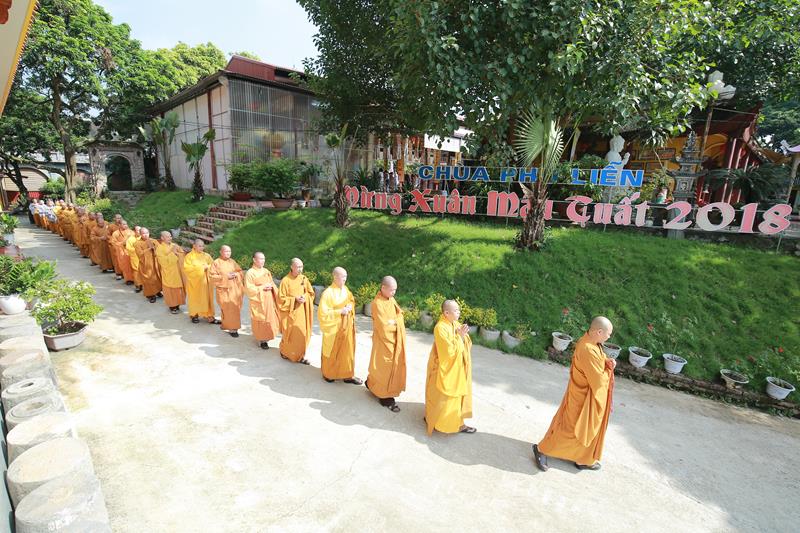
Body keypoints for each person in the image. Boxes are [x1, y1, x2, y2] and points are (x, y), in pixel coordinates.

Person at [532, 316, 616, 472]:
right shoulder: (588, 349)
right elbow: (598, 381)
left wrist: (606, 362)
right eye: (608, 334)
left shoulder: (592, 343)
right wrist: (609, 369)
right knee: (571, 429)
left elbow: (598, 361)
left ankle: (584, 458)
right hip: (581, 398)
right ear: (599, 332)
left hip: (589, 397)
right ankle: (541, 449)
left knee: (589, 429)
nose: (609, 337)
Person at [425, 299, 475, 435]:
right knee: (442, 398)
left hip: (457, 369)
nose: (459, 312)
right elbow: (448, 352)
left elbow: (466, 342)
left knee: (456, 399)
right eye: (456, 310)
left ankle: (458, 424)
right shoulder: (440, 328)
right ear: (446, 313)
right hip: (445, 368)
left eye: (459, 310)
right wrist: (460, 337)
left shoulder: (455, 324)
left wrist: (463, 336)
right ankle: (435, 420)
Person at [365, 276, 407, 412]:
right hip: (384, 341)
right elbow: (384, 326)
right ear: (383, 288)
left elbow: (400, 314)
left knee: (387, 366)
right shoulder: (377, 303)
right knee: (384, 367)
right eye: (391, 290)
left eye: (395, 290)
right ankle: (385, 397)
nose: (394, 293)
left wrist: (395, 321)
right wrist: (395, 322)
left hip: (394, 339)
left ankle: (371, 384)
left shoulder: (390, 299)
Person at [318, 267, 360, 384]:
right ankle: (329, 374)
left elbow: (351, 300)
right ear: (335, 277)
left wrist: (350, 306)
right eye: (342, 277)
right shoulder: (328, 293)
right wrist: (339, 311)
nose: (345, 279)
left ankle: (347, 375)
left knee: (347, 351)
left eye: (346, 276)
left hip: (346, 326)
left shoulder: (346, 290)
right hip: (334, 327)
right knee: (332, 351)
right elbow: (323, 314)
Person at [277, 258, 314, 365]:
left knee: (301, 334)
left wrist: (304, 297)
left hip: (301, 312)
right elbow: (281, 299)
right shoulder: (285, 280)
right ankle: (285, 352)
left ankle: (300, 356)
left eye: (301, 267)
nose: (300, 269)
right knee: (290, 334)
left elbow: (310, 293)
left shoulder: (304, 279)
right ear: (292, 267)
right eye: (298, 267)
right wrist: (294, 299)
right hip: (290, 313)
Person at [244, 252, 281, 349]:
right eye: (260, 259)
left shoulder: (266, 271)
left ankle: (268, 335)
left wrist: (272, 287)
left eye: (264, 259)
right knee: (260, 320)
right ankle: (262, 340)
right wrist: (262, 288)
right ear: (254, 260)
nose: (263, 261)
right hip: (258, 301)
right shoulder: (250, 273)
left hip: (268, 299)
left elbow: (272, 283)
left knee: (269, 319)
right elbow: (249, 289)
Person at [208, 245, 244, 337]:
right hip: (223, 290)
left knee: (234, 309)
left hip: (234, 290)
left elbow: (240, 272)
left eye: (229, 251)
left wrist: (236, 274)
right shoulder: (216, 263)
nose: (228, 253)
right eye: (226, 251)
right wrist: (225, 277)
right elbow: (212, 277)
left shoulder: (232, 262)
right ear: (221, 252)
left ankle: (230, 327)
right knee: (227, 309)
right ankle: (231, 328)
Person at [182, 239, 218, 324]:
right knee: (195, 299)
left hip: (205, 283)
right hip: (194, 283)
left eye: (203, 246)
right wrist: (201, 268)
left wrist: (208, 267)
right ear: (194, 246)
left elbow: (213, 265)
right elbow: (187, 269)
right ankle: (194, 315)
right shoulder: (189, 257)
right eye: (199, 246)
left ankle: (209, 316)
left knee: (207, 299)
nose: (202, 248)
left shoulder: (207, 256)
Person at [155, 231, 186, 314]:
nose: (170, 238)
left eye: (170, 236)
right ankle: (172, 306)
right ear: (162, 238)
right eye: (167, 237)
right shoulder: (159, 249)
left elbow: (182, 254)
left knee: (178, 289)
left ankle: (177, 304)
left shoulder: (174, 245)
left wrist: (178, 253)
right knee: (170, 289)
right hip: (168, 272)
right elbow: (163, 262)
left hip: (177, 271)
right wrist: (173, 253)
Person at [134, 228, 162, 303]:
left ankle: (157, 291)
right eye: (143, 233)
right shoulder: (137, 243)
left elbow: (160, 249)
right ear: (140, 234)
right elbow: (139, 254)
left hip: (155, 264)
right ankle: (151, 295)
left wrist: (155, 248)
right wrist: (149, 249)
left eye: (147, 233)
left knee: (157, 278)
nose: (145, 235)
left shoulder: (153, 241)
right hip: (145, 265)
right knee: (148, 280)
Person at [111, 220, 135, 285]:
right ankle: (128, 279)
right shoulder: (116, 233)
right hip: (122, 251)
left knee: (133, 265)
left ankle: (135, 279)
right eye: (124, 224)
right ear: (119, 225)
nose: (125, 226)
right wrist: (122, 243)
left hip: (131, 251)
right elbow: (113, 243)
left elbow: (136, 240)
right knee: (125, 266)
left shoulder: (131, 232)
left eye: (126, 224)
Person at [125, 226, 143, 292]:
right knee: (136, 271)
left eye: (140, 230)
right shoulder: (130, 239)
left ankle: (145, 284)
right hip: (135, 257)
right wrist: (137, 249)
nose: (139, 231)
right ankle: (138, 285)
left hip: (143, 257)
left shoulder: (143, 237)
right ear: (134, 231)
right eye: (138, 230)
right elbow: (128, 248)